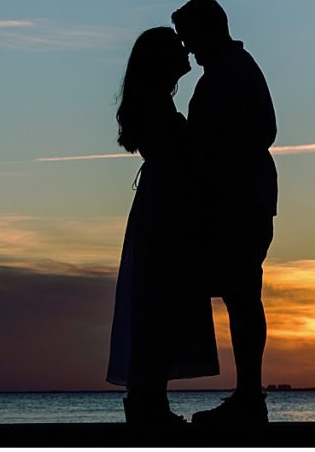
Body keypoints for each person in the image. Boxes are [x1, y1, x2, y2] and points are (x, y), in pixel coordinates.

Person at [172, 0, 277, 425]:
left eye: (189, 38)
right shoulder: (231, 69)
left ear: (208, 30)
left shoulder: (232, 70)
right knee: (241, 295)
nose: (188, 50)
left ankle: (249, 397)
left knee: (242, 295)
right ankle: (248, 395)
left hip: (239, 201)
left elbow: (253, 133)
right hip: (240, 198)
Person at [106, 26, 220, 424]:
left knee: (159, 304)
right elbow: (180, 155)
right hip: (165, 209)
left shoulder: (153, 102)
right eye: (177, 48)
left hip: (164, 204)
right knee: (157, 301)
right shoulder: (156, 106)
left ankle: (150, 400)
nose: (186, 50)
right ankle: (147, 403)